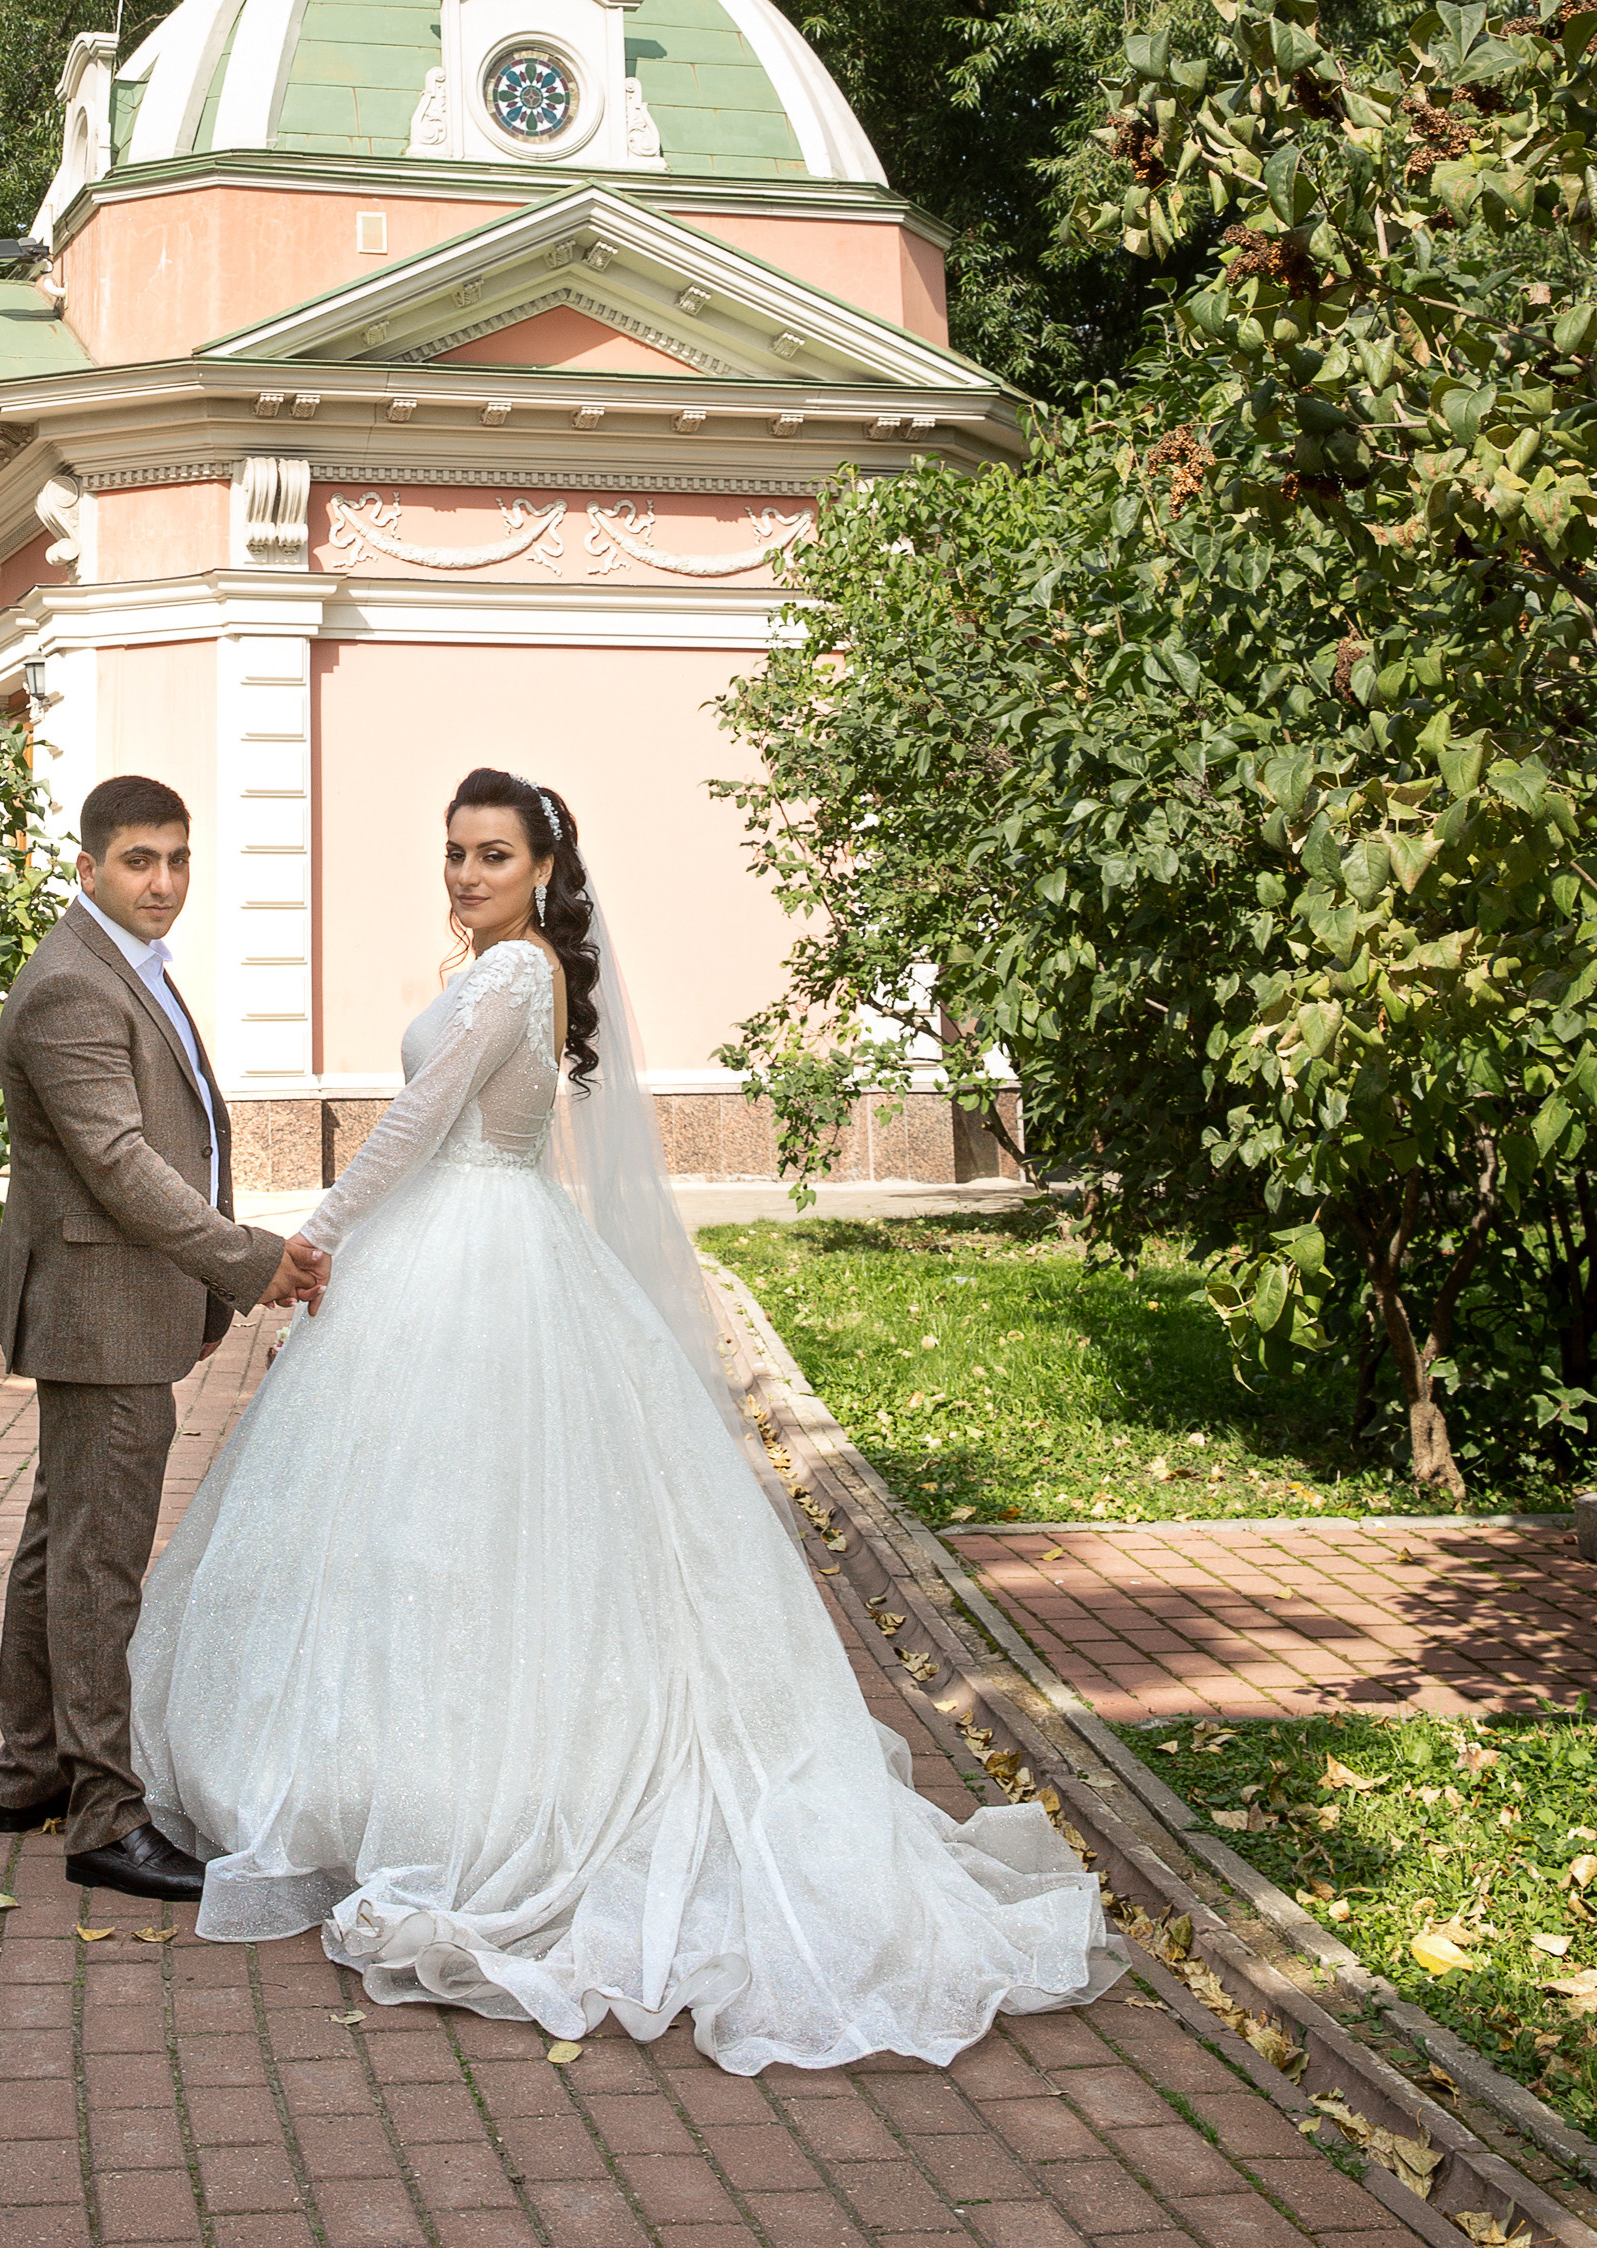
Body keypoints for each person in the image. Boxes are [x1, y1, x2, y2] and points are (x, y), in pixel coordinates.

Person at [130, 766, 1119, 2072]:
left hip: (477, 1255)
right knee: (431, 1529)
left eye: (491, 855)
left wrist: (304, 1239)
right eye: (454, 854)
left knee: (473, 1520)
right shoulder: (505, 970)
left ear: (543, 866)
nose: (467, 875)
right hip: (475, 1247)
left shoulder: (509, 978)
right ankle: (392, 1774)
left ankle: (476, 1790)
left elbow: (419, 1125)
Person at [0, 771, 328, 1904]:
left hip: (107, 1305)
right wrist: (245, 1256)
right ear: (87, 868)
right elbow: (121, 1165)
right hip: (104, 1310)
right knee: (97, 1561)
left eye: (178, 859)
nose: (164, 882)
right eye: (139, 861)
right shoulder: (72, 988)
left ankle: (31, 1766)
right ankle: (103, 1815)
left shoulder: (123, 968)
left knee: (61, 1539)